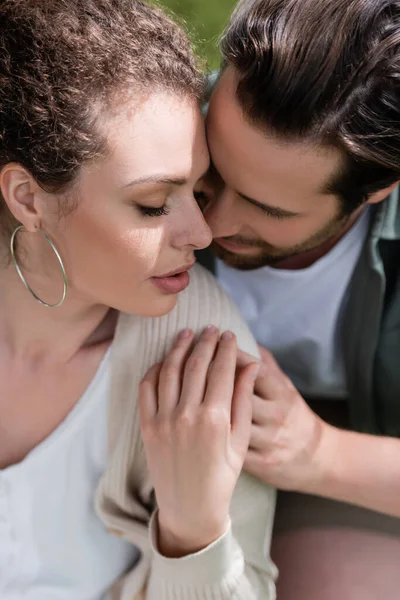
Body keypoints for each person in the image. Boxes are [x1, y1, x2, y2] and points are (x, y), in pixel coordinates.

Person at [0, 1, 277, 599]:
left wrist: (194, 531)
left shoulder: (202, 350)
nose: (201, 235)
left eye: (197, 190)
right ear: (28, 197)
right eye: (153, 204)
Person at [198, 0, 400, 596]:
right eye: (214, 165)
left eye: (267, 208)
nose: (210, 224)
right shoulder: (144, 123)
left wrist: (319, 453)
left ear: (380, 189)